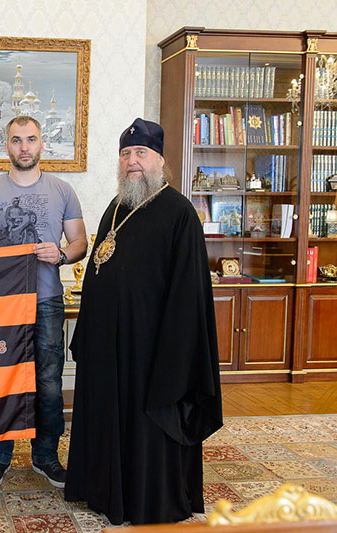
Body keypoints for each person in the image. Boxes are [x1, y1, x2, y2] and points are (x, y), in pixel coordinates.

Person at [65, 118, 223, 525]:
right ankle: (102, 489)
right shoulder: (116, 206)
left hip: (152, 349)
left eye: (140, 153)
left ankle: (145, 498)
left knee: (143, 422)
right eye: (125, 154)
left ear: (160, 160)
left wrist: (172, 353)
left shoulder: (180, 213)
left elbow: (188, 294)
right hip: (108, 345)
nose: (132, 161)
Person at [0, 115, 87, 489]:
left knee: (48, 381)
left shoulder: (62, 190)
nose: (24, 147)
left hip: (46, 300)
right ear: (6, 146)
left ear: (41, 144)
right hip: (0, 304)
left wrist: (61, 255)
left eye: (30, 139)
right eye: (16, 140)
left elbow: (80, 243)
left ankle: (46, 456)